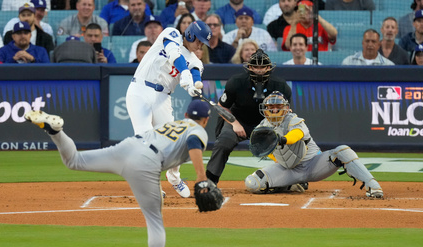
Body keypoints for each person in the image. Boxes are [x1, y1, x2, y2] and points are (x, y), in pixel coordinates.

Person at [24, 99, 218, 247]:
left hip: (129, 146)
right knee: (154, 219)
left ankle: (55, 131)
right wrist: (201, 176)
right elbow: (193, 142)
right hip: (146, 162)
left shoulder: (177, 122)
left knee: (74, 161)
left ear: (185, 114)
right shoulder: (198, 130)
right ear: (206, 119)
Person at [126, 20, 212, 198]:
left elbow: (195, 73)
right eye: (199, 40)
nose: (201, 44)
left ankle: (174, 178)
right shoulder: (171, 33)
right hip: (140, 90)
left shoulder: (196, 61)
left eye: (203, 41)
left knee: (175, 140)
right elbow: (174, 54)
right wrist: (185, 72)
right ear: (190, 34)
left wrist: (192, 85)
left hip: (162, 97)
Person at [244, 92, 383, 198]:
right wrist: (277, 159)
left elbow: (297, 134)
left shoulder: (293, 119)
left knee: (342, 150)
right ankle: (291, 184)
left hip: (313, 165)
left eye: (278, 106)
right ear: (265, 108)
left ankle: (373, 187)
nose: (274, 110)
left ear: (285, 108)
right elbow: (263, 149)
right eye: (271, 107)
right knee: (253, 183)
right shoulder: (262, 127)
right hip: (288, 170)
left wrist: (282, 140)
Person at [205, 49, 292, 185]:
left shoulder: (281, 86)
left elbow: (286, 111)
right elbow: (221, 106)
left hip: (267, 125)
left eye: (262, 66)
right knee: (224, 142)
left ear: (269, 68)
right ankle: (209, 182)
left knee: (285, 145)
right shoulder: (236, 82)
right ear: (249, 67)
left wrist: (275, 128)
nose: (259, 70)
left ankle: (294, 179)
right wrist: (234, 124)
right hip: (238, 120)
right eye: (255, 67)